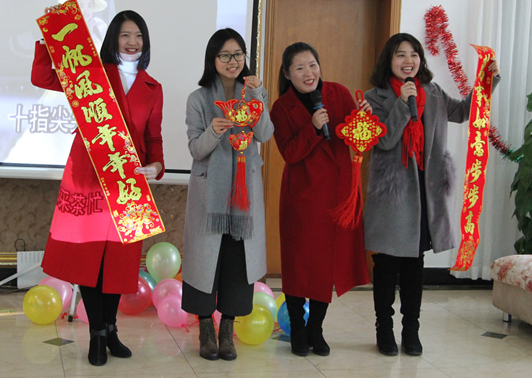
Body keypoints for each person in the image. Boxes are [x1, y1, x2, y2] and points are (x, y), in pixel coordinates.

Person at [31, 9, 164, 366]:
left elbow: (153, 137)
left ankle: (111, 329)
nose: (133, 42)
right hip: (90, 177)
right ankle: (96, 334)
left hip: (127, 183)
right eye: (125, 35)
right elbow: (43, 77)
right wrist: (49, 41)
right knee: (91, 260)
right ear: (113, 39)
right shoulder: (93, 75)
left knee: (118, 263)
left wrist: (157, 166)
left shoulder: (153, 88)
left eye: (138, 35)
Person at [364, 33, 500, 356]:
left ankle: (411, 331)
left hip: (427, 191)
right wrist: (401, 104)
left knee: (415, 265)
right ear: (389, 60)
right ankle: (384, 329)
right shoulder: (375, 97)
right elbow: (383, 140)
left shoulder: (433, 92)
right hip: (393, 193)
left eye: (414, 54)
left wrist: (486, 83)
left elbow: (463, 112)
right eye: (400, 55)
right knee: (387, 265)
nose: (408, 61)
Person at [270, 42, 371, 357]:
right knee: (299, 266)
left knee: (325, 266)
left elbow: (357, 136)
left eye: (312, 65)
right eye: (299, 68)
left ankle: (316, 328)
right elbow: (289, 153)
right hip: (301, 197)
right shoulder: (281, 108)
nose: (308, 73)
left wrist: (364, 120)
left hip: (335, 195)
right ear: (288, 74)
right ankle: (298, 329)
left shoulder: (339, 94)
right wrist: (312, 128)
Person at [181, 28, 274, 361]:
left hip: (244, 195)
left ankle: (227, 332)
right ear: (213, 59)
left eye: (238, 54)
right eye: (225, 55)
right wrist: (214, 130)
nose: (232, 61)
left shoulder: (253, 93)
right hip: (210, 195)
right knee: (205, 260)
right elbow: (196, 149)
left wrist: (259, 96)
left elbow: (265, 133)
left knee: (237, 262)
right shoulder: (198, 99)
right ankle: (206, 328)